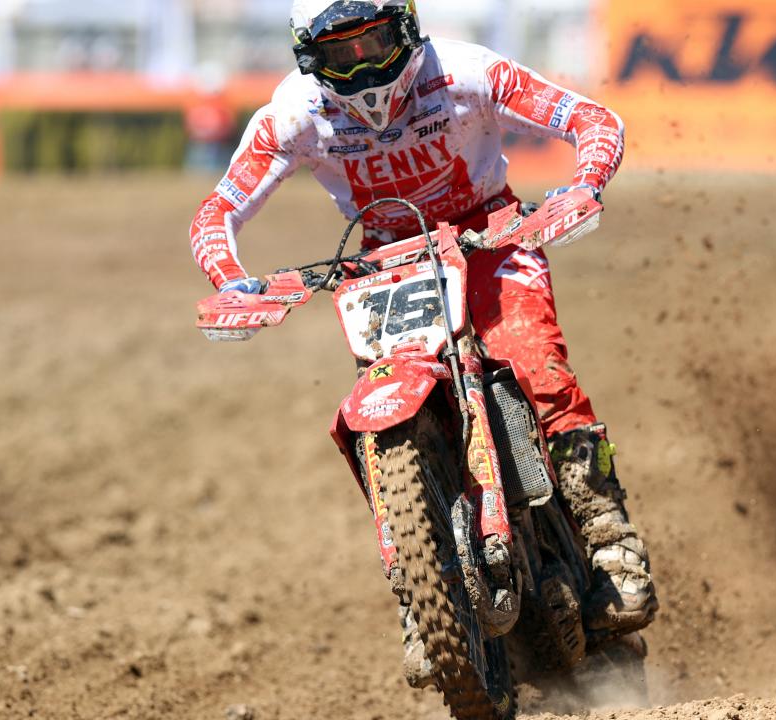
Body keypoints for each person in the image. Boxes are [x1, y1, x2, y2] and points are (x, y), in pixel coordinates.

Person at [188, 0, 657, 687]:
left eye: (375, 43)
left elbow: (591, 118)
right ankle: (420, 592)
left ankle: (608, 535)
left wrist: (582, 186)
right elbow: (219, 207)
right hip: (387, 265)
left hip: (490, 237)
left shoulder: (465, 72)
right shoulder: (294, 114)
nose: (363, 69)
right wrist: (232, 281)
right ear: (311, 58)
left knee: (536, 365)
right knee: (376, 409)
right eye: (342, 54)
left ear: (405, 29)